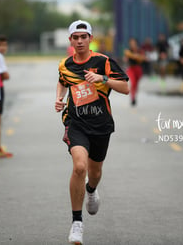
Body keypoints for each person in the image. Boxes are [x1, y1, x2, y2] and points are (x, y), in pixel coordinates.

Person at [55, 20, 129, 244]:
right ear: (70, 40)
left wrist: (103, 79)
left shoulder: (104, 62)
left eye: (83, 37)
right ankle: (77, 223)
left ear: (90, 38)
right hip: (75, 123)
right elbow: (62, 81)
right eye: (75, 38)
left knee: (94, 173)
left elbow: (126, 87)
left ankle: (91, 189)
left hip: (101, 125)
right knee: (79, 167)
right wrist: (58, 98)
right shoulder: (64, 64)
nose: (79, 41)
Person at [124, 37, 146, 106]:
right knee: (132, 83)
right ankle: (132, 98)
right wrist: (134, 56)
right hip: (131, 69)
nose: (132, 44)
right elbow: (127, 56)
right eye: (131, 43)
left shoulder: (139, 50)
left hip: (138, 69)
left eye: (133, 43)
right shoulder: (128, 51)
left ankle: (134, 96)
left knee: (136, 85)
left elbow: (143, 58)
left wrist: (137, 56)